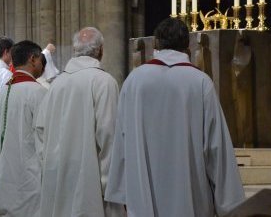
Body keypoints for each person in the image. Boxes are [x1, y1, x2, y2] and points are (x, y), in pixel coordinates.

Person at [105, 18, 245, 217]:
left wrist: (120, 195)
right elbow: (217, 148)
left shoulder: (134, 81)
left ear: (156, 44)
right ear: (187, 46)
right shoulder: (200, 83)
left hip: (143, 199)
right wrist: (229, 205)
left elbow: (121, 141)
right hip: (190, 200)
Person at [35, 27, 125, 217]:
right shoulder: (104, 82)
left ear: (74, 51)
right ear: (100, 50)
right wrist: (110, 185)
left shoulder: (56, 84)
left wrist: (49, 167)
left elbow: (40, 130)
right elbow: (109, 136)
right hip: (89, 183)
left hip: (56, 179)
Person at [0, 40, 47, 217]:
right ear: (33, 59)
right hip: (30, 174)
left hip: (6, 169)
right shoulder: (38, 92)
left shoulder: (4, 90)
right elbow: (45, 137)